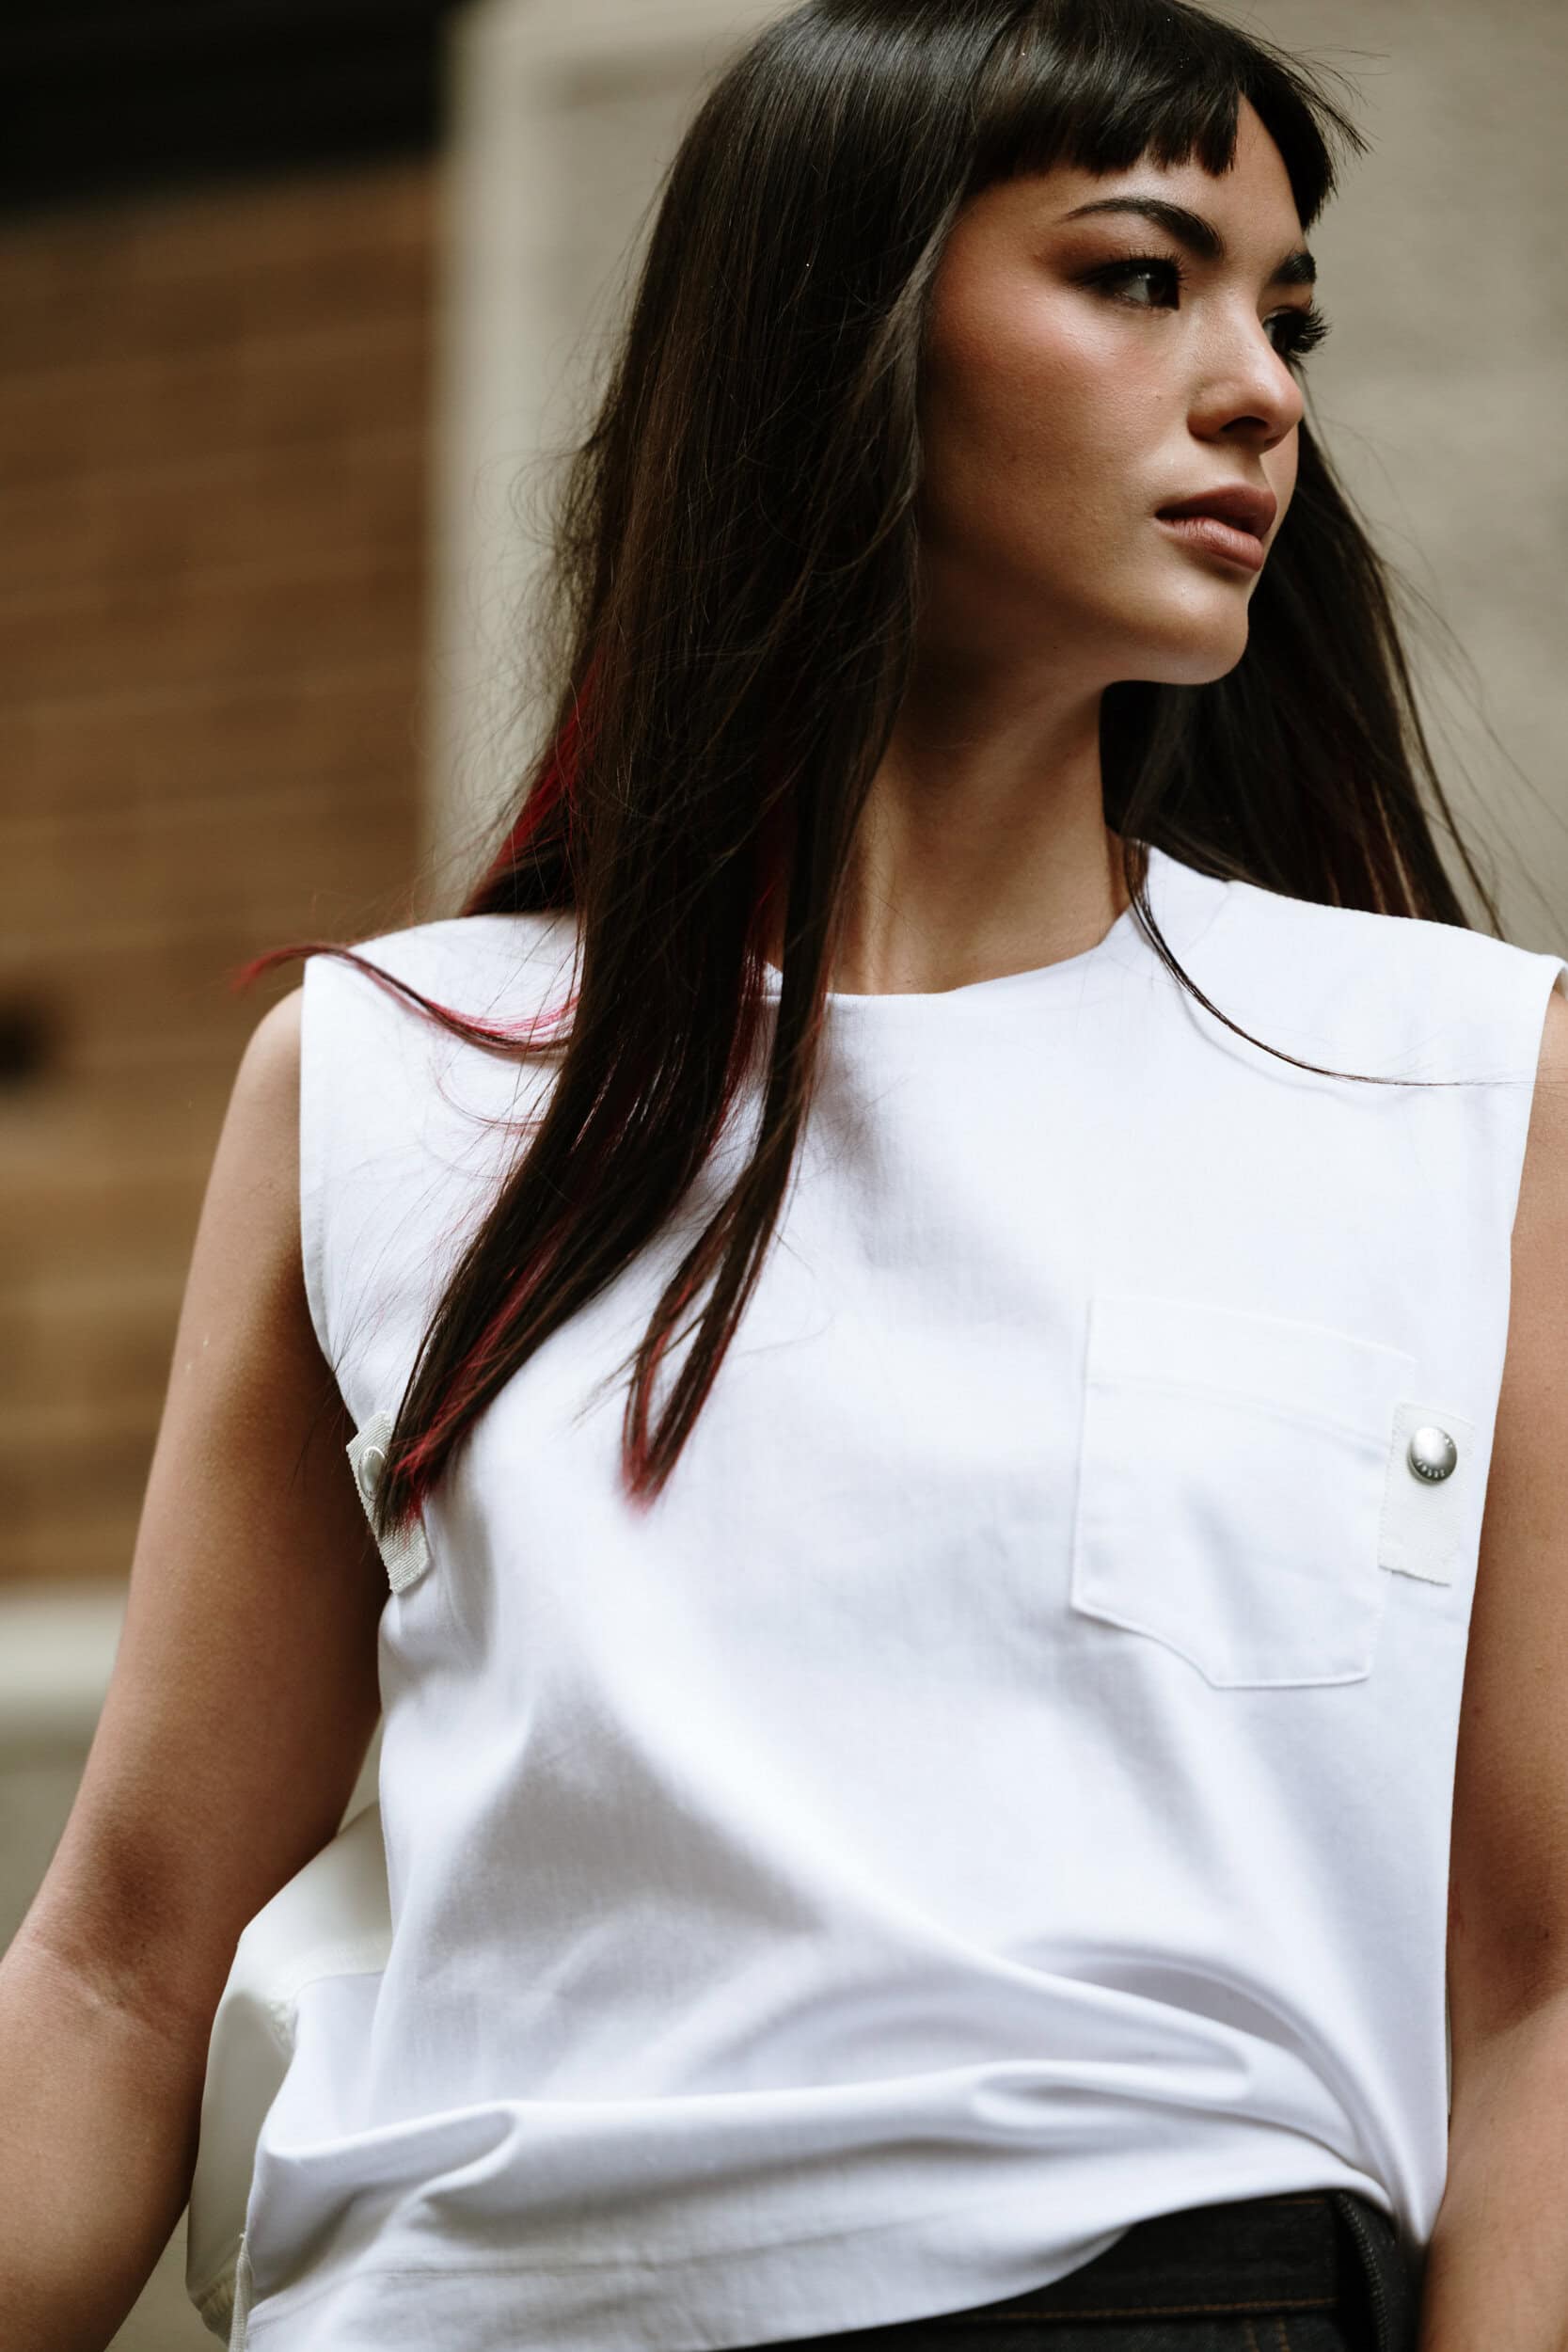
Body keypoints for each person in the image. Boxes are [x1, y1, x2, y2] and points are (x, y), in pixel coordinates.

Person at [3, 2, 1566, 2348]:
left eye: (1288, 314)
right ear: (846, 323)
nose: (1259, 389)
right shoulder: (397, 1078)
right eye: (1143, 276)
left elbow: (1545, 1997)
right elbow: (120, 1963)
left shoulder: (1451, 1080)